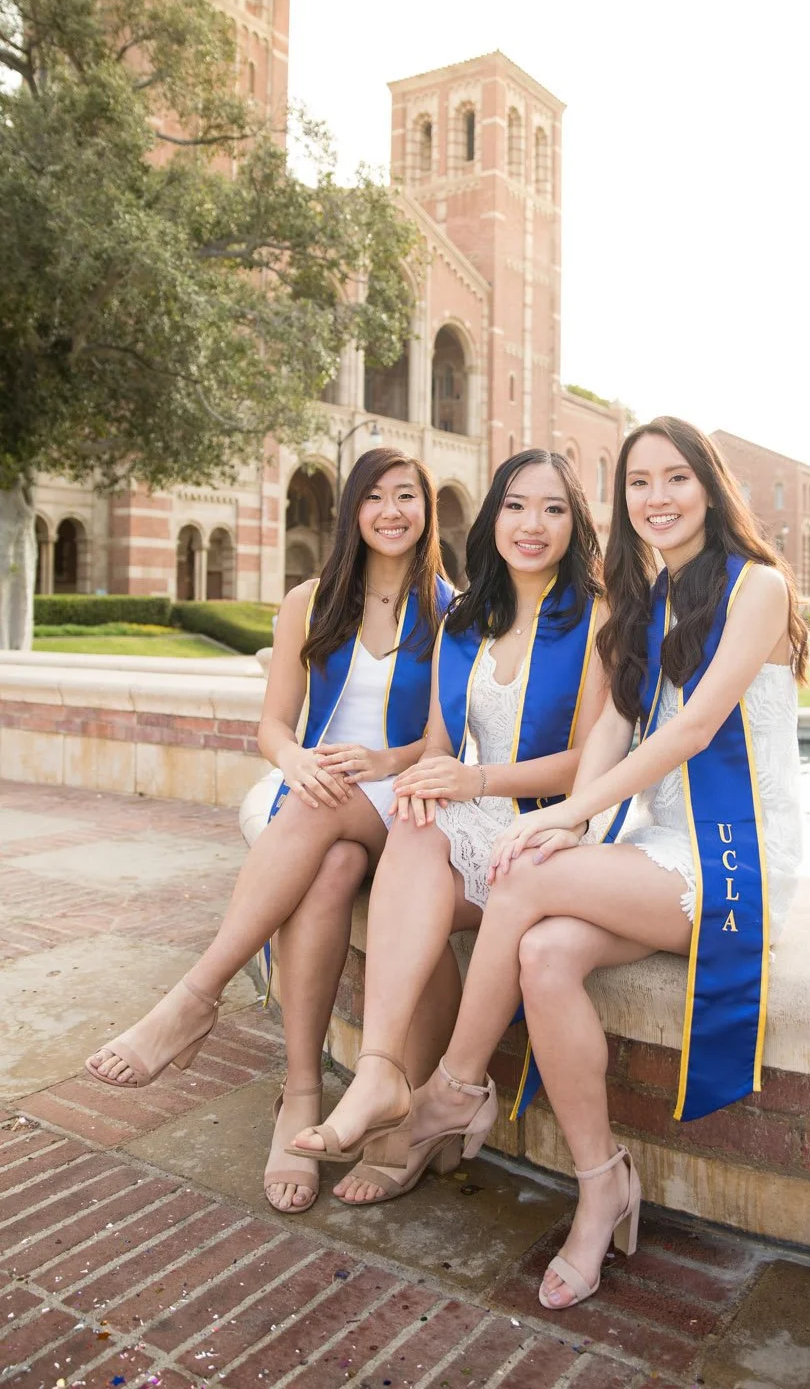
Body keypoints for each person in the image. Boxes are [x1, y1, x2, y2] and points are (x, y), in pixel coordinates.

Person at [359, 417, 807, 1309]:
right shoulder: (645, 598)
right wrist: (574, 826)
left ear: (710, 490)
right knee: (544, 954)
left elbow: (690, 730)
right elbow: (611, 725)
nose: (658, 498)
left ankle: (453, 1087)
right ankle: (602, 1185)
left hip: (732, 860)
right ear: (625, 501)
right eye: (640, 483)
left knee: (523, 871)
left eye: (676, 479)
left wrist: (563, 813)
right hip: (654, 848)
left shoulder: (757, 587)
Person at [85, 448, 454, 1215]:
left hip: (404, 806)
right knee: (325, 869)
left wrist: (385, 757)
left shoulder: (453, 609)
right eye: (376, 497)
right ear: (352, 510)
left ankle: (194, 999)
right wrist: (296, 759)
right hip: (323, 795)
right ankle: (300, 1093)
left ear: (428, 511)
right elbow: (274, 724)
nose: (392, 511)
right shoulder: (310, 601)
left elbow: (446, 742)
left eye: (408, 497)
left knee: (319, 814)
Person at [284, 448, 610, 1206]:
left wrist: (475, 779)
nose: (533, 525)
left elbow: (593, 765)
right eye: (518, 506)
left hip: (557, 830)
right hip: (477, 817)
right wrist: (428, 781)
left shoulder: (598, 616)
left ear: (576, 523)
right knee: (416, 832)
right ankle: (383, 1079)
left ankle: (400, 1107)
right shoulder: (466, 620)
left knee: (416, 864)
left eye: (555, 509)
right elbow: (438, 741)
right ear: (493, 514)